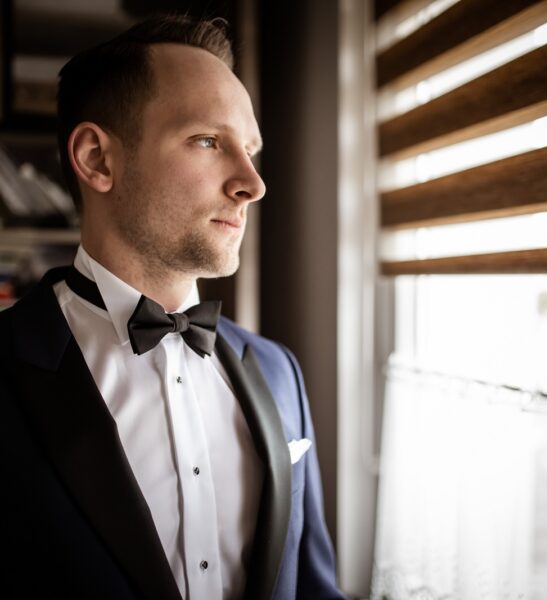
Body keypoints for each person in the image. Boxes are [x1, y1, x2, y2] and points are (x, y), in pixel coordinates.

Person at [0, 15, 345, 600]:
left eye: (250, 150)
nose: (253, 183)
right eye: (208, 141)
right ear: (97, 159)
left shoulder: (279, 371)